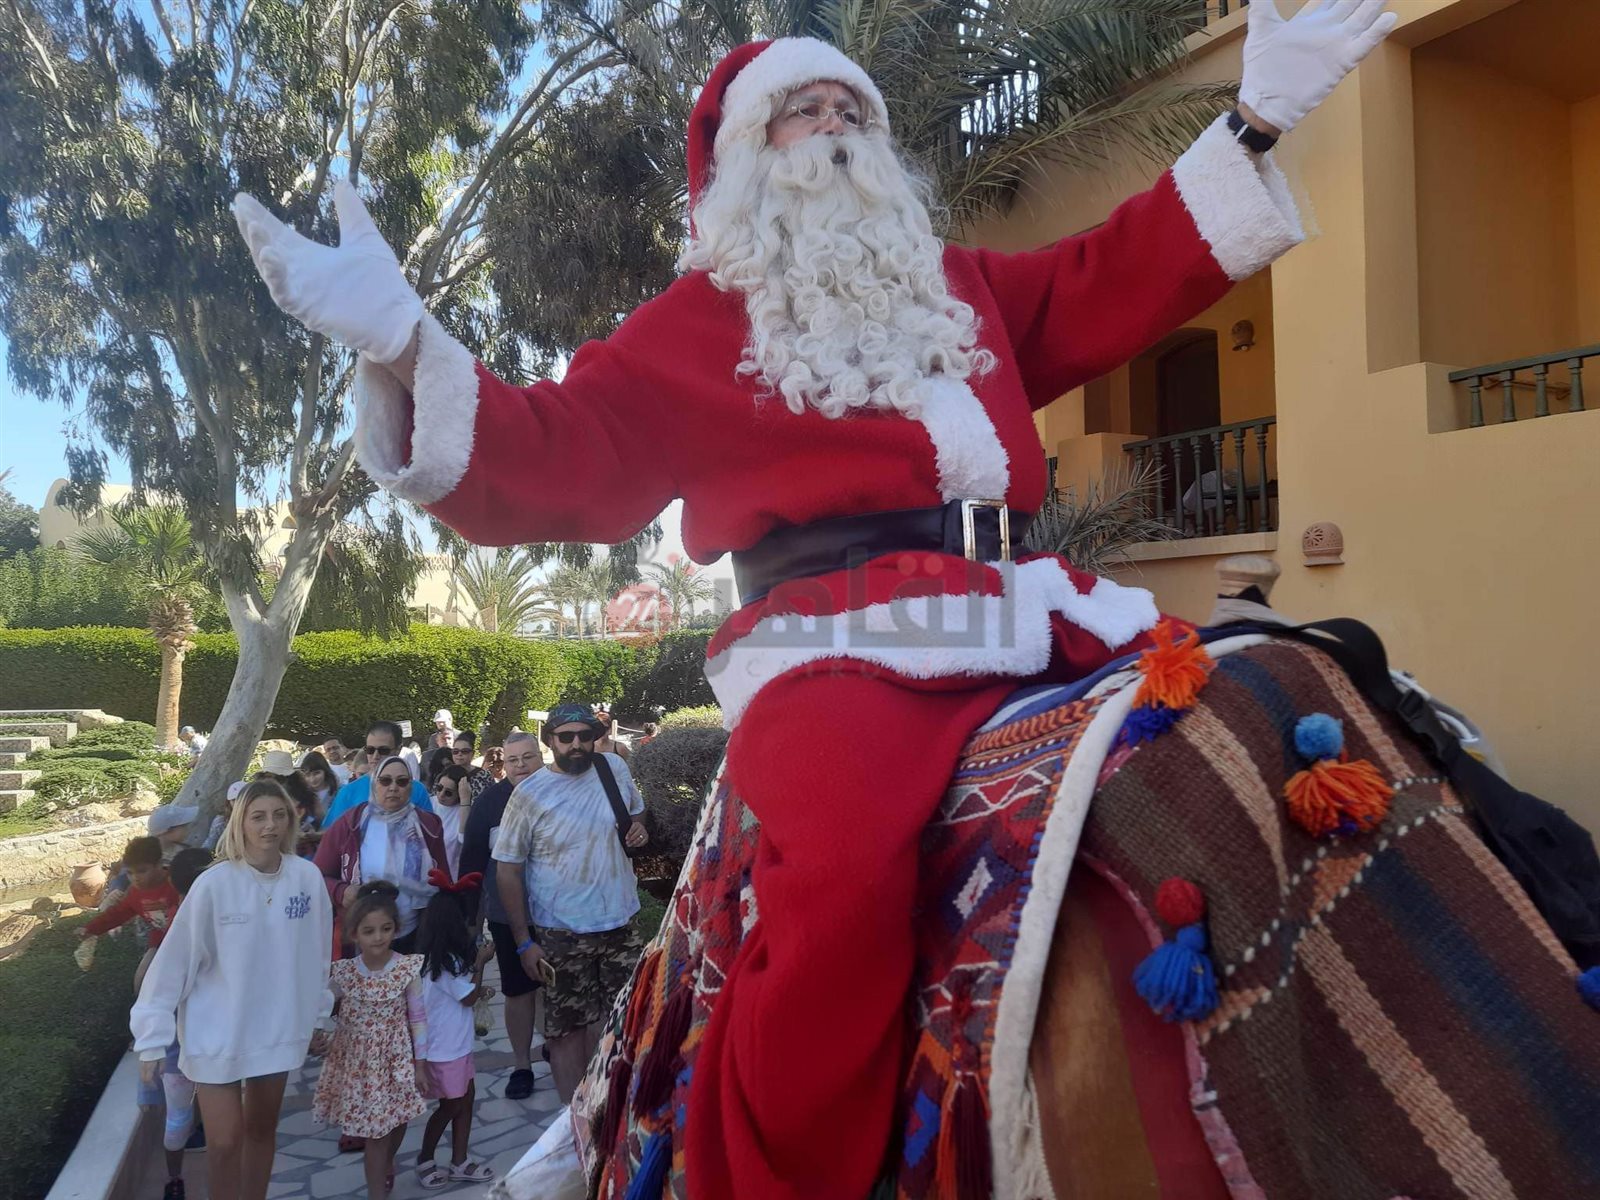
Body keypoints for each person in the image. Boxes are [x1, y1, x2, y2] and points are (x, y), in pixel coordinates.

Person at [235, 6, 1394, 1190]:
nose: (834, 128)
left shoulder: (955, 290)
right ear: (743, 160)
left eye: (851, 112)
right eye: (803, 111)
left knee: (1272, 694)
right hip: (830, 647)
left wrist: (1252, 120)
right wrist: (403, 340)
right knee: (838, 887)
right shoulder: (690, 326)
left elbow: (1107, 272)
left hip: (1022, 605)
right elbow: (556, 448)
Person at [132, 780, 334, 1200]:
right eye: (258, 816)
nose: (269, 826)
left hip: (276, 1028)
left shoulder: (306, 878)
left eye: (278, 815)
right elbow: (175, 962)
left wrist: (318, 1013)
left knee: (261, 1130)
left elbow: (317, 955)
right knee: (224, 1141)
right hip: (217, 1031)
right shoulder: (215, 884)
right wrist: (152, 1036)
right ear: (240, 822)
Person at [494, 704, 647, 1103]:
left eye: (585, 735)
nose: (577, 744)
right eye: (566, 737)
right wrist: (524, 942)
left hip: (621, 924)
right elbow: (507, 871)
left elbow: (637, 813)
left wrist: (639, 830)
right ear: (550, 742)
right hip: (561, 932)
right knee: (566, 1031)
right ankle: (573, 1124)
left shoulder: (613, 768)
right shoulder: (529, 794)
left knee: (627, 1020)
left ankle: (618, 1109)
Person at [311, 881, 431, 1200]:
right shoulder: (346, 973)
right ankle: (376, 1190)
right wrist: (317, 1031)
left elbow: (417, 1019)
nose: (378, 937)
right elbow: (323, 1003)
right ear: (354, 934)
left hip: (396, 1059)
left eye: (386, 928)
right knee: (375, 1134)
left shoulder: (406, 969)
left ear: (396, 929)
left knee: (398, 1120)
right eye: (369, 931)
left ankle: (387, 1162)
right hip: (359, 1065)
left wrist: (421, 1063)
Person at [457, 730, 544, 1098]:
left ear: (541, 757)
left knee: (558, 989)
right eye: (513, 760)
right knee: (518, 990)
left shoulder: (561, 793)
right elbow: (472, 862)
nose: (521, 765)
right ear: (502, 763)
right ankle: (522, 1065)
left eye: (528, 757)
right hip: (509, 915)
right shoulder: (489, 804)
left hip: (560, 912)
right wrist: (470, 921)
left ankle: (561, 1047)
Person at [132, 847, 212, 1200]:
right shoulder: (176, 932)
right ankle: (175, 1178)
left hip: (214, 1044)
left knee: (183, 1120)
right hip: (187, 1048)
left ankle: (177, 1177)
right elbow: (153, 998)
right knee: (180, 1119)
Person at [411, 875, 497, 1189]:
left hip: (457, 1048)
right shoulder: (441, 965)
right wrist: (481, 963)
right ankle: (425, 1158)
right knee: (451, 1105)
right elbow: (467, 996)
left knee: (466, 1099)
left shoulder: (447, 961)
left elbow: (464, 994)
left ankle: (459, 1160)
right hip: (443, 1051)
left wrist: (475, 980)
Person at [314, 755, 450, 954]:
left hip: (415, 935)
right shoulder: (350, 824)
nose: (393, 787)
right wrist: (341, 891)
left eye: (402, 782)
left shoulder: (429, 825)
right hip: (361, 938)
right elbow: (316, 876)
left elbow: (443, 879)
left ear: (411, 788)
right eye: (385, 781)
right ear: (374, 784)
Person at [81, 835, 180, 988]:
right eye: (130, 873)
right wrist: (91, 929)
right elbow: (119, 913)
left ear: (159, 864)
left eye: (142, 871)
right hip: (160, 940)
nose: (135, 878)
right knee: (141, 981)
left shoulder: (176, 883)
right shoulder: (135, 892)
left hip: (186, 939)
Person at [322, 721, 433, 828]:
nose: (375, 756)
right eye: (370, 750)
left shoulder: (417, 790)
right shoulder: (349, 793)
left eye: (383, 750)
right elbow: (330, 835)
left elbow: (431, 834)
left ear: (398, 750)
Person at [429, 764, 470, 875]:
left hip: (449, 876)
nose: (441, 794)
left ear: (459, 794)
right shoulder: (428, 803)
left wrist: (465, 800)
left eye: (448, 792)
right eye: (439, 788)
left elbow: (463, 839)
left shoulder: (464, 811)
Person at [451, 730, 494, 800]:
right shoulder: (445, 775)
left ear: (472, 753)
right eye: (455, 751)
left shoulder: (484, 776)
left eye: (464, 751)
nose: (459, 754)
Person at [298, 750, 340, 818]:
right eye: (307, 775)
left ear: (325, 771)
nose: (312, 779)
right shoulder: (302, 794)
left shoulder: (338, 791)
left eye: (316, 773)